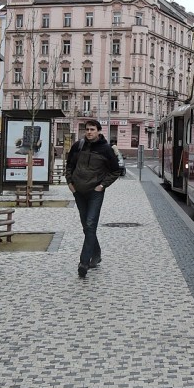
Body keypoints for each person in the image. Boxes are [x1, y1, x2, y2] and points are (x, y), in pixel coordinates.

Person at [65, 119, 121, 277]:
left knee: (90, 224)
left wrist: (102, 186)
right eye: (87, 129)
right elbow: (69, 165)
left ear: (99, 131)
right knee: (86, 225)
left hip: (95, 192)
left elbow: (115, 171)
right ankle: (96, 254)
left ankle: (84, 262)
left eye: (92, 129)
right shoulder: (78, 146)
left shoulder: (106, 149)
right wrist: (70, 182)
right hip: (79, 191)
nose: (89, 132)